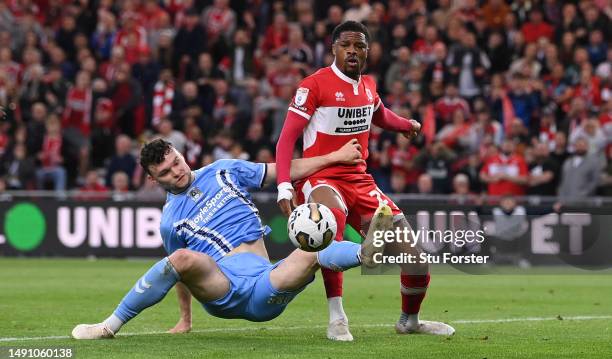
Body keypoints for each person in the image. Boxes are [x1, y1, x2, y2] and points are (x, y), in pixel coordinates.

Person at [71, 138, 394, 339]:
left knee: (311, 249)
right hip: (222, 289)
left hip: (265, 283)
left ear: (181, 155)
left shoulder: (224, 170)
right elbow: (178, 275)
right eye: (166, 173)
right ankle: (108, 327)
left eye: (176, 163)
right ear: (154, 180)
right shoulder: (170, 220)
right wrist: (185, 319)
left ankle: (365, 254)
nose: (176, 172)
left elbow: (282, 170)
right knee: (181, 258)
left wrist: (332, 157)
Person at [275, 21, 454, 341]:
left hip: (362, 181)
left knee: (414, 257)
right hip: (322, 177)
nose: (353, 51)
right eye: (346, 45)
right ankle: (337, 317)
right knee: (332, 229)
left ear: (368, 51)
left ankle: (409, 321)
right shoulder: (314, 86)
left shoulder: (369, 86)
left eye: (360, 46)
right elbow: (287, 139)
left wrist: (404, 125)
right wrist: (284, 185)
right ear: (334, 49)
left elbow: (379, 114)